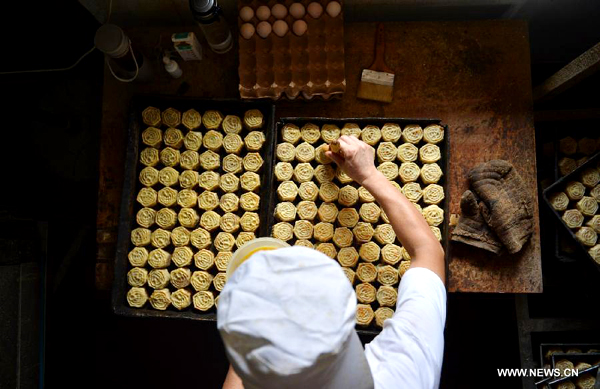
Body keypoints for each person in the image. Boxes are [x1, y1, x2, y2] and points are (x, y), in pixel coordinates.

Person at [218, 135, 447, 389]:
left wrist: (249, 307)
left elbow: (246, 353)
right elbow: (428, 251)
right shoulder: (405, 377)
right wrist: (370, 175)